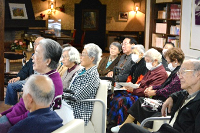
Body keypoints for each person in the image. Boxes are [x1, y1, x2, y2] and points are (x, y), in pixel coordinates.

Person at [111, 48, 185, 133]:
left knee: (141, 102)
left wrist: (155, 91)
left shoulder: (179, 74)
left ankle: (127, 127)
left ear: (175, 61)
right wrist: (154, 88)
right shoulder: (174, 71)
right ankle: (129, 127)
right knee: (139, 101)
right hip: (160, 98)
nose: (167, 65)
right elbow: (165, 86)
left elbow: (169, 89)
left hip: (167, 103)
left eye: (168, 62)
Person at [118, 59, 200, 133]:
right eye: (179, 72)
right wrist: (171, 97)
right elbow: (177, 92)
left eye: (184, 72)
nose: (180, 77)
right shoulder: (185, 94)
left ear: (198, 75)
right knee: (128, 128)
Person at [0, 38, 63, 133]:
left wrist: (6, 120)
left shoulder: (50, 84)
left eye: (37, 53)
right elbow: (21, 105)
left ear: (48, 61)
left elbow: (32, 116)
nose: (32, 57)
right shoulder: (43, 77)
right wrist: (3, 115)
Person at [108, 48, 168, 127]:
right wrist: (133, 86)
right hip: (138, 90)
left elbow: (148, 91)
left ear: (155, 61)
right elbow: (142, 81)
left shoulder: (161, 73)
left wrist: (134, 89)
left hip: (145, 96)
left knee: (122, 100)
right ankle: (112, 122)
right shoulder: (153, 69)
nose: (146, 63)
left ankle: (121, 125)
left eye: (147, 61)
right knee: (115, 94)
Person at [64, 43, 102, 125]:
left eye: (83, 55)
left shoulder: (92, 75)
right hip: (70, 106)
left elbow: (76, 97)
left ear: (92, 58)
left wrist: (60, 97)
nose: (80, 57)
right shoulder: (81, 71)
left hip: (78, 111)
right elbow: (71, 91)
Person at [5, 37, 44, 105]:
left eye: (36, 44)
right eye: (34, 44)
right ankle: (12, 108)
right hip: (29, 80)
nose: (34, 46)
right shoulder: (34, 56)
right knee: (11, 85)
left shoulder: (47, 57)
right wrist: (18, 78)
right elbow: (25, 69)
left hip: (40, 82)